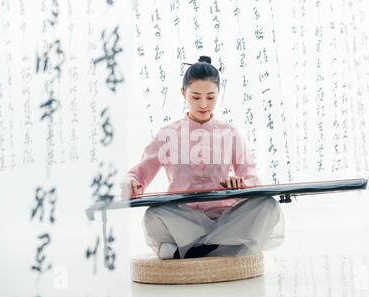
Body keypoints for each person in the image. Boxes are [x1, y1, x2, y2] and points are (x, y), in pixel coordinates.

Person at [121, 55, 284, 259]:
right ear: (183, 93)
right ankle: (227, 248)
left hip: (225, 218)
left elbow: (251, 177)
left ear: (219, 93)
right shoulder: (168, 134)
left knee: (267, 205)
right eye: (196, 97)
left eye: (211, 97)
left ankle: (189, 251)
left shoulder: (230, 133)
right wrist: (131, 184)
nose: (204, 104)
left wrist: (240, 184)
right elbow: (140, 173)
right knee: (154, 215)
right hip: (184, 219)